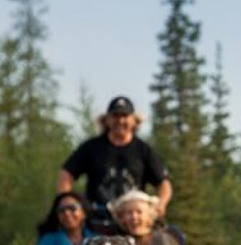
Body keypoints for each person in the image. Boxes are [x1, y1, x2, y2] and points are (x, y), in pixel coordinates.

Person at [56, 96, 172, 233]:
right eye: (115, 116)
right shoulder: (91, 147)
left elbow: (164, 184)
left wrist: (160, 204)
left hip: (132, 222)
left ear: (134, 120)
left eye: (125, 116)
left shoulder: (144, 150)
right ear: (107, 120)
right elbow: (66, 175)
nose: (120, 120)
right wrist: (68, 203)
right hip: (97, 221)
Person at [108, 189, 183, 245]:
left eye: (139, 212)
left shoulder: (162, 239)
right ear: (122, 217)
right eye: (129, 213)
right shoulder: (118, 243)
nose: (134, 217)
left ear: (149, 215)